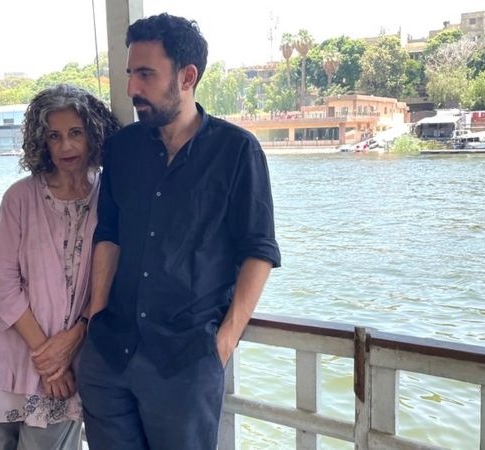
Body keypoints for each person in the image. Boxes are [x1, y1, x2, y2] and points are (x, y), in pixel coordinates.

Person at [77, 13, 281, 450]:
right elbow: (109, 234)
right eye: (130, 73)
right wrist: (96, 318)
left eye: (146, 74)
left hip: (185, 363)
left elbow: (259, 250)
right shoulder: (123, 148)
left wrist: (222, 344)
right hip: (110, 354)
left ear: (187, 77)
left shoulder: (236, 151)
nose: (132, 88)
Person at [0, 84, 120, 450]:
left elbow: (110, 281)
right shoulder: (19, 197)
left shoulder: (110, 198)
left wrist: (72, 343)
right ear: (42, 141)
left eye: (75, 133)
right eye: (54, 136)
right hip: (10, 358)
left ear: (93, 134)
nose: (66, 146)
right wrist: (49, 360)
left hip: (70, 362)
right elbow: (2, 285)